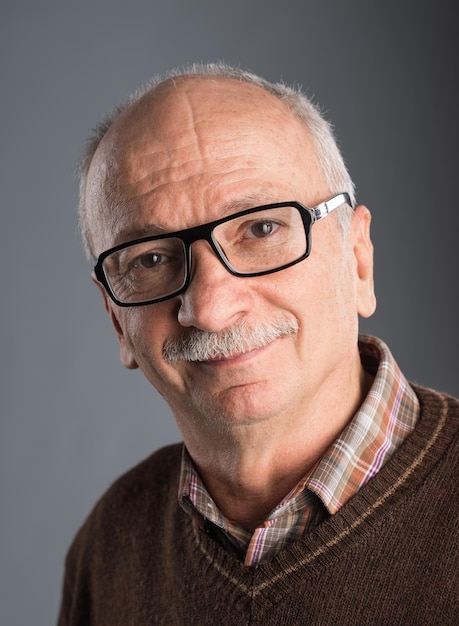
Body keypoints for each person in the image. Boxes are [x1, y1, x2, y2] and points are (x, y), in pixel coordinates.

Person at [58, 63, 458, 625]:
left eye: (261, 229)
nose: (212, 309)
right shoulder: (113, 543)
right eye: (150, 259)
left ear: (358, 259)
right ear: (118, 323)